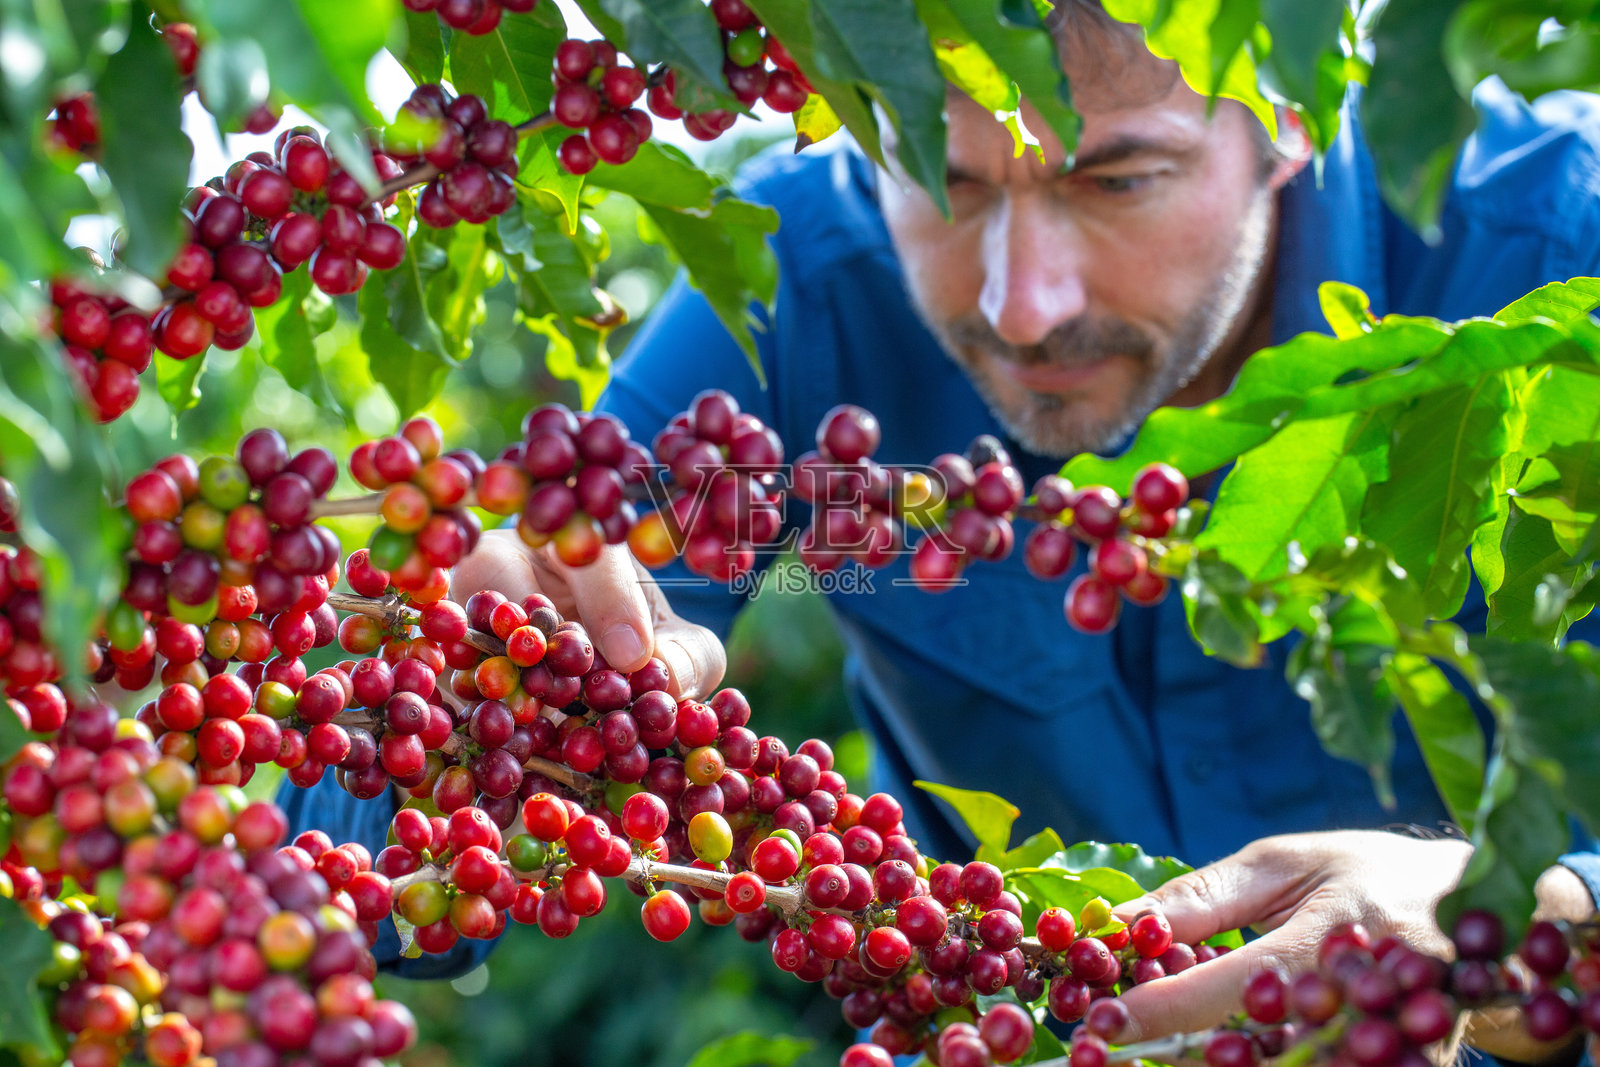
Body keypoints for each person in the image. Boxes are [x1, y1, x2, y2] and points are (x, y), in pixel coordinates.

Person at [288, 0, 1600, 1059]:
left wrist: (1522, 909)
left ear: (1296, 107)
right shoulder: (807, 283)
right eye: (940, 180)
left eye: (1121, 179)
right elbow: (390, 828)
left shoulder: (1560, 264)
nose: (1022, 303)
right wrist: (445, 679)